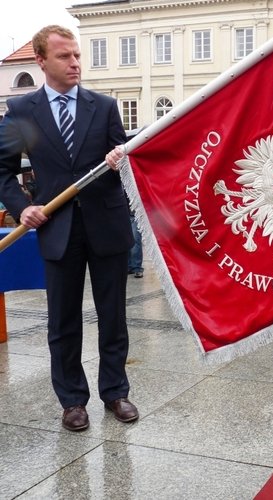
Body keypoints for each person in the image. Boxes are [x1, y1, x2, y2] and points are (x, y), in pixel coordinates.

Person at [0, 25, 139, 431]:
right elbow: (5, 172)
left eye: (77, 55)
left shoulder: (105, 106)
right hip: (56, 227)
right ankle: (72, 401)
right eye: (64, 56)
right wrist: (22, 209)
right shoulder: (22, 111)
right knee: (63, 320)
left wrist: (122, 163)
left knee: (113, 314)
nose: (75, 63)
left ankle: (116, 391)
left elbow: (128, 172)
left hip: (107, 225)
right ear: (42, 61)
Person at [128, 208, 144, 278]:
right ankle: (128, 266)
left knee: (135, 239)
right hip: (122, 213)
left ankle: (137, 268)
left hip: (135, 214)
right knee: (125, 241)